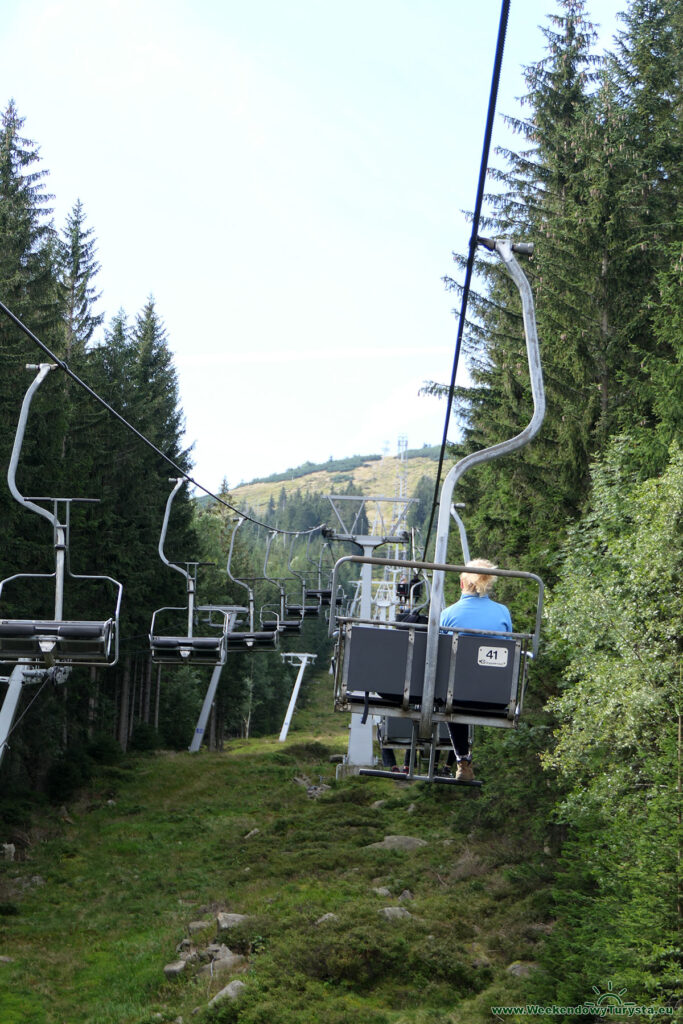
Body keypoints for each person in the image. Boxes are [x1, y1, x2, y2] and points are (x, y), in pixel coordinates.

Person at [439, 558, 512, 782]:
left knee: (451, 699)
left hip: (457, 694)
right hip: (496, 695)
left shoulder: (449, 615)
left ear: (462, 584)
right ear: (488, 583)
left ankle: (462, 759)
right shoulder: (502, 613)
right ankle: (465, 759)